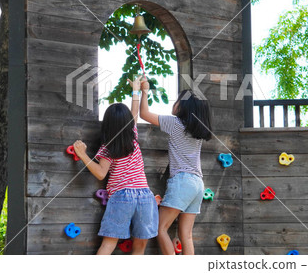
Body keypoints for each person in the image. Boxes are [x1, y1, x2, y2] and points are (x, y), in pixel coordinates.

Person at [73, 76, 158, 255]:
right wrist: (138, 90)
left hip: (122, 196)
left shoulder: (108, 147)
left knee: (108, 244)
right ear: (128, 123)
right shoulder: (133, 137)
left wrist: (82, 155)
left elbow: (101, 174)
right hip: (145, 195)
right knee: (140, 246)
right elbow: (134, 114)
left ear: (108, 125)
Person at [139, 81, 212, 255]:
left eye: (177, 101)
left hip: (182, 181)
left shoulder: (175, 123)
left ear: (182, 108)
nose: (174, 104)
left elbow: (143, 114)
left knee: (160, 228)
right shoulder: (197, 132)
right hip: (197, 185)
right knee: (186, 235)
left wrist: (144, 91)